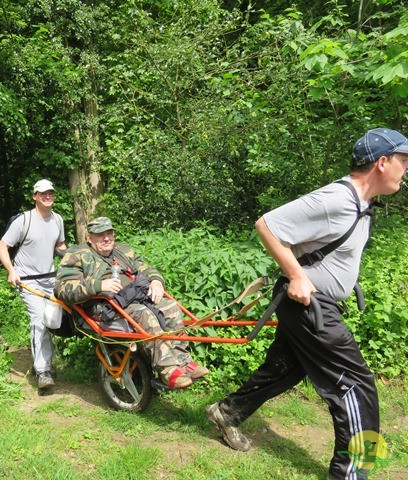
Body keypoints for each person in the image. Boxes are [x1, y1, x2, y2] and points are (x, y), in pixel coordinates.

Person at [206, 128, 408, 479]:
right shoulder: (337, 199)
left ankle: (228, 412)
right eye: (404, 162)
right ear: (383, 162)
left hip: (313, 303)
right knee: (356, 385)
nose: (406, 170)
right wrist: (298, 276)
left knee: (286, 369)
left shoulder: (361, 204)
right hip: (309, 305)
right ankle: (352, 471)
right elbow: (267, 225)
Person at [55, 216, 209, 389]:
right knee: (144, 314)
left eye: (109, 233)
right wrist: (98, 285)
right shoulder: (77, 255)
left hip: (134, 296)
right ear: (89, 238)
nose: (106, 238)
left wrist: (156, 281)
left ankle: (183, 361)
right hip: (104, 307)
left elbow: (146, 269)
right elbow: (63, 289)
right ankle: (167, 370)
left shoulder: (123, 251)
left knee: (171, 307)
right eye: (100, 235)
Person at [0, 179, 66, 391]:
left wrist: (72, 259)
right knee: (39, 319)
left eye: (51, 193)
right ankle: (43, 372)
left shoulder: (58, 220)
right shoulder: (23, 221)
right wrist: (12, 270)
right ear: (34, 196)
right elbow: (2, 246)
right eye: (43, 193)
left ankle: (43, 361)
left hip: (50, 278)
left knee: (55, 320)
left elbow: (60, 245)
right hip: (27, 280)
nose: (48, 196)